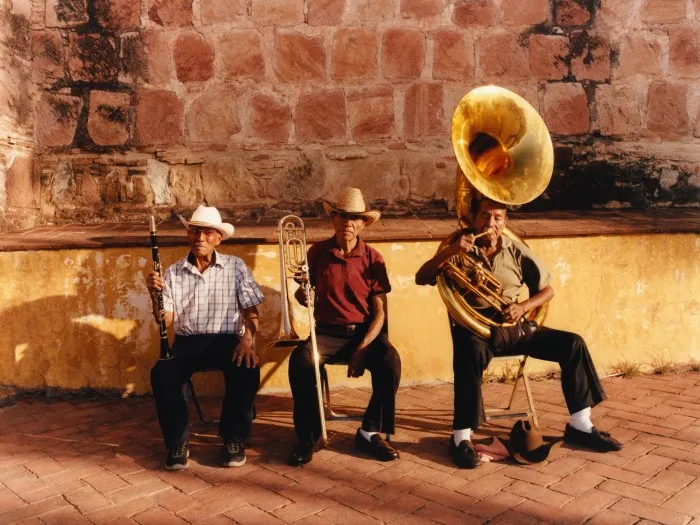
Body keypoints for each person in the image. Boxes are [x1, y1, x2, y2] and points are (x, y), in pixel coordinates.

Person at [415, 197, 622, 469]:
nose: (491, 224)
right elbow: (421, 277)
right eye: (485, 217)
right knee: (468, 352)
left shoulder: (514, 248)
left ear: (505, 221)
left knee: (572, 344)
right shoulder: (456, 248)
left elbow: (548, 290)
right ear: (473, 219)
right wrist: (448, 253)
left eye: (498, 217)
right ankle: (461, 437)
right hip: (478, 333)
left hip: (515, 329)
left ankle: (580, 424)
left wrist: (523, 306)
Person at [287, 187, 402, 466]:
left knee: (390, 362)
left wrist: (362, 349)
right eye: (342, 216)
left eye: (354, 218)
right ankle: (309, 436)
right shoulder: (317, 252)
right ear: (333, 219)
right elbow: (304, 294)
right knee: (300, 361)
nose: (347, 223)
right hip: (327, 332)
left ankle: (370, 432)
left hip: (364, 333)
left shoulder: (373, 258)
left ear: (363, 223)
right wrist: (303, 296)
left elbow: (379, 313)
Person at [146, 205, 264, 470]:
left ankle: (233, 439)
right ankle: (177, 443)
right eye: (195, 231)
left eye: (208, 233)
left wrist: (247, 341)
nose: (200, 238)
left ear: (218, 238)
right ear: (188, 235)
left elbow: (251, 312)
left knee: (247, 368)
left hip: (228, 340)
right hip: (188, 343)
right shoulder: (173, 273)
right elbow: (165, 321)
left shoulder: (236, 267)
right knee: (162, 374)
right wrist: (154, 296)